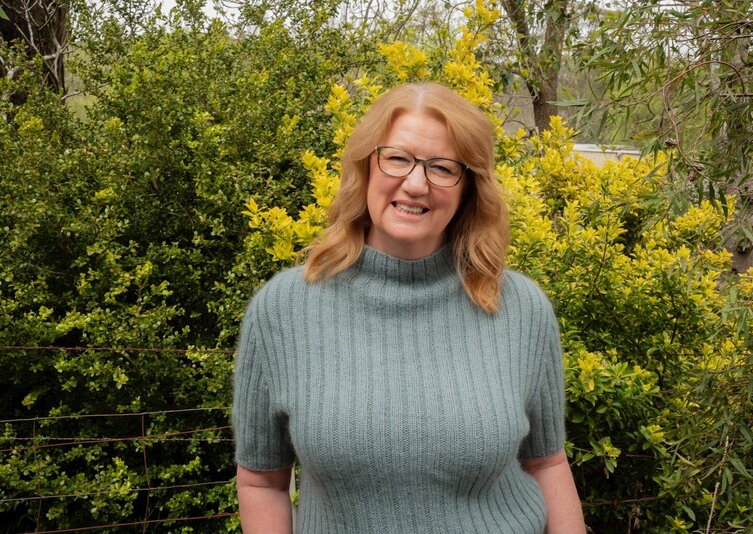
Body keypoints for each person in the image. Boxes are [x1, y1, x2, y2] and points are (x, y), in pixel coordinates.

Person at [232, 82, 586, 533]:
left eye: (442, 168)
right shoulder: (282, 311)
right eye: (397, 158)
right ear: (366, 165)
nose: (415, 184)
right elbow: (262, 482)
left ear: (468, 188)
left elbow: (547, 464)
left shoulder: (520, 309)